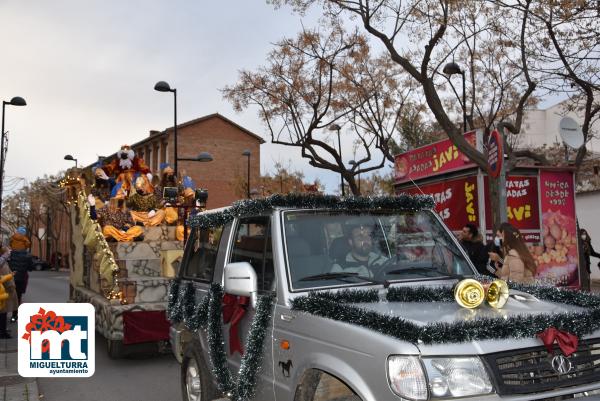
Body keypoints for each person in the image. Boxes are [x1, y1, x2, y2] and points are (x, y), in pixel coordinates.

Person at [8, 230, 33, 323]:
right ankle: (14, 317)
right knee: (18, 297)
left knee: (7, 297)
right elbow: (30, 268)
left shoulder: (9, 254)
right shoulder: (27, 255)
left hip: (9, 278)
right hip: (21, 278)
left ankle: (3, 318)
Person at [0, 247, 17, 338]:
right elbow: (3, 278)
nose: (9, 253)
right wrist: (11, 287)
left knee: (3, 312)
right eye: (8, 252)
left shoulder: (3, 261)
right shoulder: (2, 263)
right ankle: (2, 332)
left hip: (3, 290)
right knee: (3, 312)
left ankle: (3, 330)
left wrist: (11, 274)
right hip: (3, 291)